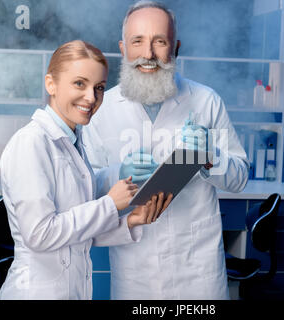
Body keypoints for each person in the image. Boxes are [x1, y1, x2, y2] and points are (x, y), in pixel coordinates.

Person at [83, 1, 249, 300]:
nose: (148, 54)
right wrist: (115, 175)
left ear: (176, 48)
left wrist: (211, 156)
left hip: (197, 268)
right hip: (137, 268)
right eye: (138, 41)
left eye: (160, 41)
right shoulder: (101, 109)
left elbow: (239, 179)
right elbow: (85, 188)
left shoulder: (206, 101)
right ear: (123, 48)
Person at [0, 40, 172, 300]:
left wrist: (131, 220)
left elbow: (77, 236)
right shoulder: (31, 142)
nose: (91, 98)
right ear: (51, 84)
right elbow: (40, 234)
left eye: (99, 88)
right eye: (79, 83)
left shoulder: (73, 140)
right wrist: (110, 204)